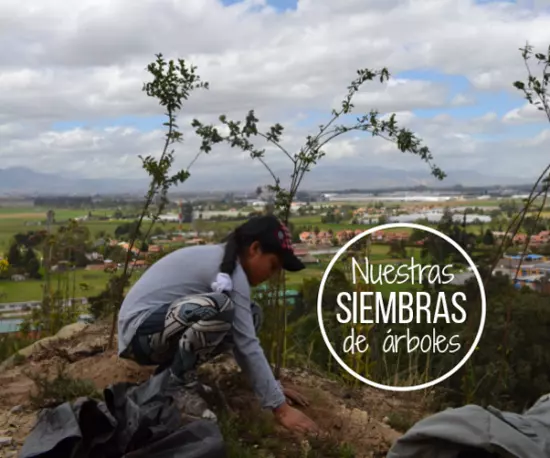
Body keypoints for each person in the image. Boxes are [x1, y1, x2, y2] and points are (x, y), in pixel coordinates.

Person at [117, 214, 319, 435]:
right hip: (138, 333)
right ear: (255, 249)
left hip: (155, 333)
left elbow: (244, 340)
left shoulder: (229, 266)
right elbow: (247, 345)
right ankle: (176, 385)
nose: (271, 276)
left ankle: (172, 375)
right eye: (272, 266)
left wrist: (274, 388)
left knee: (252, 315)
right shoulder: (232, 272)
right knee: (220, 307)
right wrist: (282, 410)